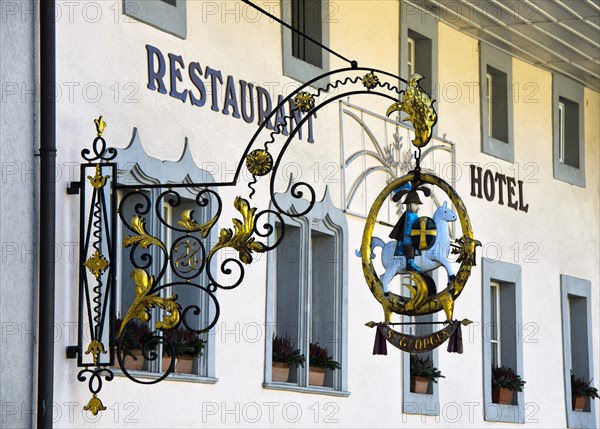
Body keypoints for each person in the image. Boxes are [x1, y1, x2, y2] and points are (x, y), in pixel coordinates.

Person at [389, 183, 422, 271]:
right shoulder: (409, 215)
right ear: (411, 204)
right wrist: (413, 235)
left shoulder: (414, 215)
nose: (417, 206)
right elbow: (408, 229)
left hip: (415, 237)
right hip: (408, 239)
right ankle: (410, 263)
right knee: (410, 247)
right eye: (416, 204)